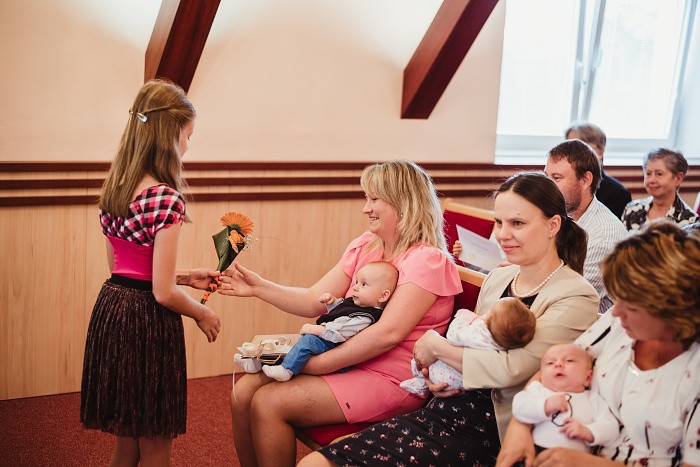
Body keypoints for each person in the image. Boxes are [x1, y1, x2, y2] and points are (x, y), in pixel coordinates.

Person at [298, 171, 600, 467]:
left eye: (517, 223)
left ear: (553, 225)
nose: (503, 234)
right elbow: (472, 343)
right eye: (499, 222)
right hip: (449, 406)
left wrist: (437, 348)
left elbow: (513, 370)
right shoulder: (500, 277)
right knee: (315, 462)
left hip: (496, 428)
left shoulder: (576, 295)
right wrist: (438, 375)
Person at [218, 160, 462, 467]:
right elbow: (314, 300)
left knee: (270, 403)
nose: (365, 208)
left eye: (374, 198)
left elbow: (387, 334)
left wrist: (317, 364)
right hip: (350, 358)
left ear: (403, 203)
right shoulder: (367, 246)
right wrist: (259, 288)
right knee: (243, 392)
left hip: (391, 378)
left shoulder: (427, 260)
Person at [80, 79, 222, 466]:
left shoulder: (116, 188)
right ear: (169, 136)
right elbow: (161, 293)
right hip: (147, 322)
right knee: (156, 441)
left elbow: (122, 269)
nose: (188, 146)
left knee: (127, 441)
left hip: (113, 309)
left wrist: (186, 276)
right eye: (187, 136)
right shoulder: (164, 198)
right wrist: (202, 312)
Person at [497, 221, 700, 466]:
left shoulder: (694, 370)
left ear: (673, 313)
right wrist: (519, 427)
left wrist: (586, 462)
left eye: (631, 306)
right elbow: (555, 365)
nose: (615, 312)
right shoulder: (621, 326)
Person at [260, 261, 399, 382]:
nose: (355, 287)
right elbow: (341, 313)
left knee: (308, 342)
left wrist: (316, 330)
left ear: (383, 295)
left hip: (336, 350)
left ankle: (286, 370)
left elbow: (340, 333)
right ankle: (262, 363)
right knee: (295, 346)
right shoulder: (358, 304)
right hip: (328, 342)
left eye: (363, 284)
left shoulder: (365, 318)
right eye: (356, 282)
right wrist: (332, 303)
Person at [544, 139, 628, 312]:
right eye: (547, 177)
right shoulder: (558, 214)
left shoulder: (604, 236)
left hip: (587, 321)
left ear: (585, 180)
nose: (548, 186)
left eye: (557, 178)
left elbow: (570, 298)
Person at [400, 296, 536, 397]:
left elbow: (454, 336)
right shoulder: (503, 342)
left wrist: (464, 317)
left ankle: (419, 379)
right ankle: (423, 382)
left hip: (447, 375)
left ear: (488, 321)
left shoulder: (481, 333)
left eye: (489, 312)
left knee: (429, 343)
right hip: (463, 384)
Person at [511, 343, 619, 453]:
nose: (558, 364)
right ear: (541, 377)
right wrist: (545, 406)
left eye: (569, 360)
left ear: (588, 378)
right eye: (550, 363)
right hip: (535, 449)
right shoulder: (538, 390)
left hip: (573, 457)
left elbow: (611, 427)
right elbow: (518, 407)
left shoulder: (593, 399)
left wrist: (588, 432)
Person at [565, 122, 631, 219]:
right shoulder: (561, 185)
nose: (574, 154)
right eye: (570, 148)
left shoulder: (618, 194)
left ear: (601, 151)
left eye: (583, 148)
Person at [621, 147, 698, 230]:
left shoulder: (691, 221)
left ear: (678, 178)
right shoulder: (632, 209)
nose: (651, 180)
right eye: (648, 174)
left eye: (659, 174)